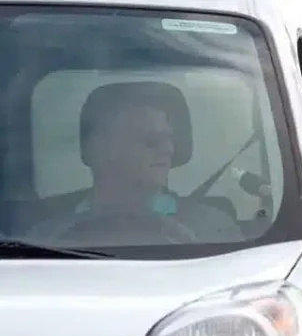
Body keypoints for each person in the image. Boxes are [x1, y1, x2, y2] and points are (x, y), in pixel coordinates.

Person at [27, 82, 241, 244]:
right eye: (150, 140)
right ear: (99, 149)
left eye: (169, 139)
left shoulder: (214, 230)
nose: (168, 150)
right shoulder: (43, 239)